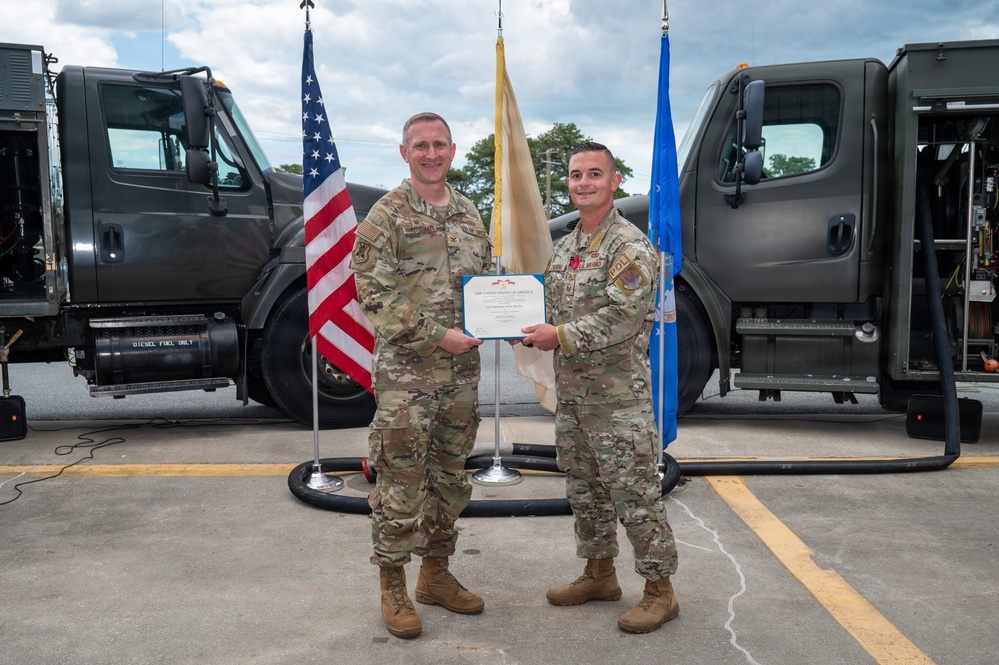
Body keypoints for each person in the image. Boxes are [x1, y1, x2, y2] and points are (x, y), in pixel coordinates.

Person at [517, 141, 680, 634]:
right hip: (574, 398)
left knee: (635, 496)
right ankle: (599, 574)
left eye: (594, 174)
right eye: (575, 175)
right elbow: (551, 309)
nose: (583, 183)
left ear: (614, 182)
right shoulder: (568, 246)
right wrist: (514, 319)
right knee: (585, 491)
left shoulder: (628, 246)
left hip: (617, 402)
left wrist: (559, 336)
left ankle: (660, 591)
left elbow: (623, 317)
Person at [350, 112, 493, 639]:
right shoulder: (385, 215)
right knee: (401, 482)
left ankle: (435, 574)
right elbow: (374, 295)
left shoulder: (469, 212)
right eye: (420, 146)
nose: (431, 154)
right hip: (407, 378)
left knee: (450, 478)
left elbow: (483, 282)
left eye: (439, 145)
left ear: (452, 150)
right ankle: (393, 584)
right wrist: (438, 335)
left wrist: (506, 316)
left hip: (462, 374)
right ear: (404, 152)